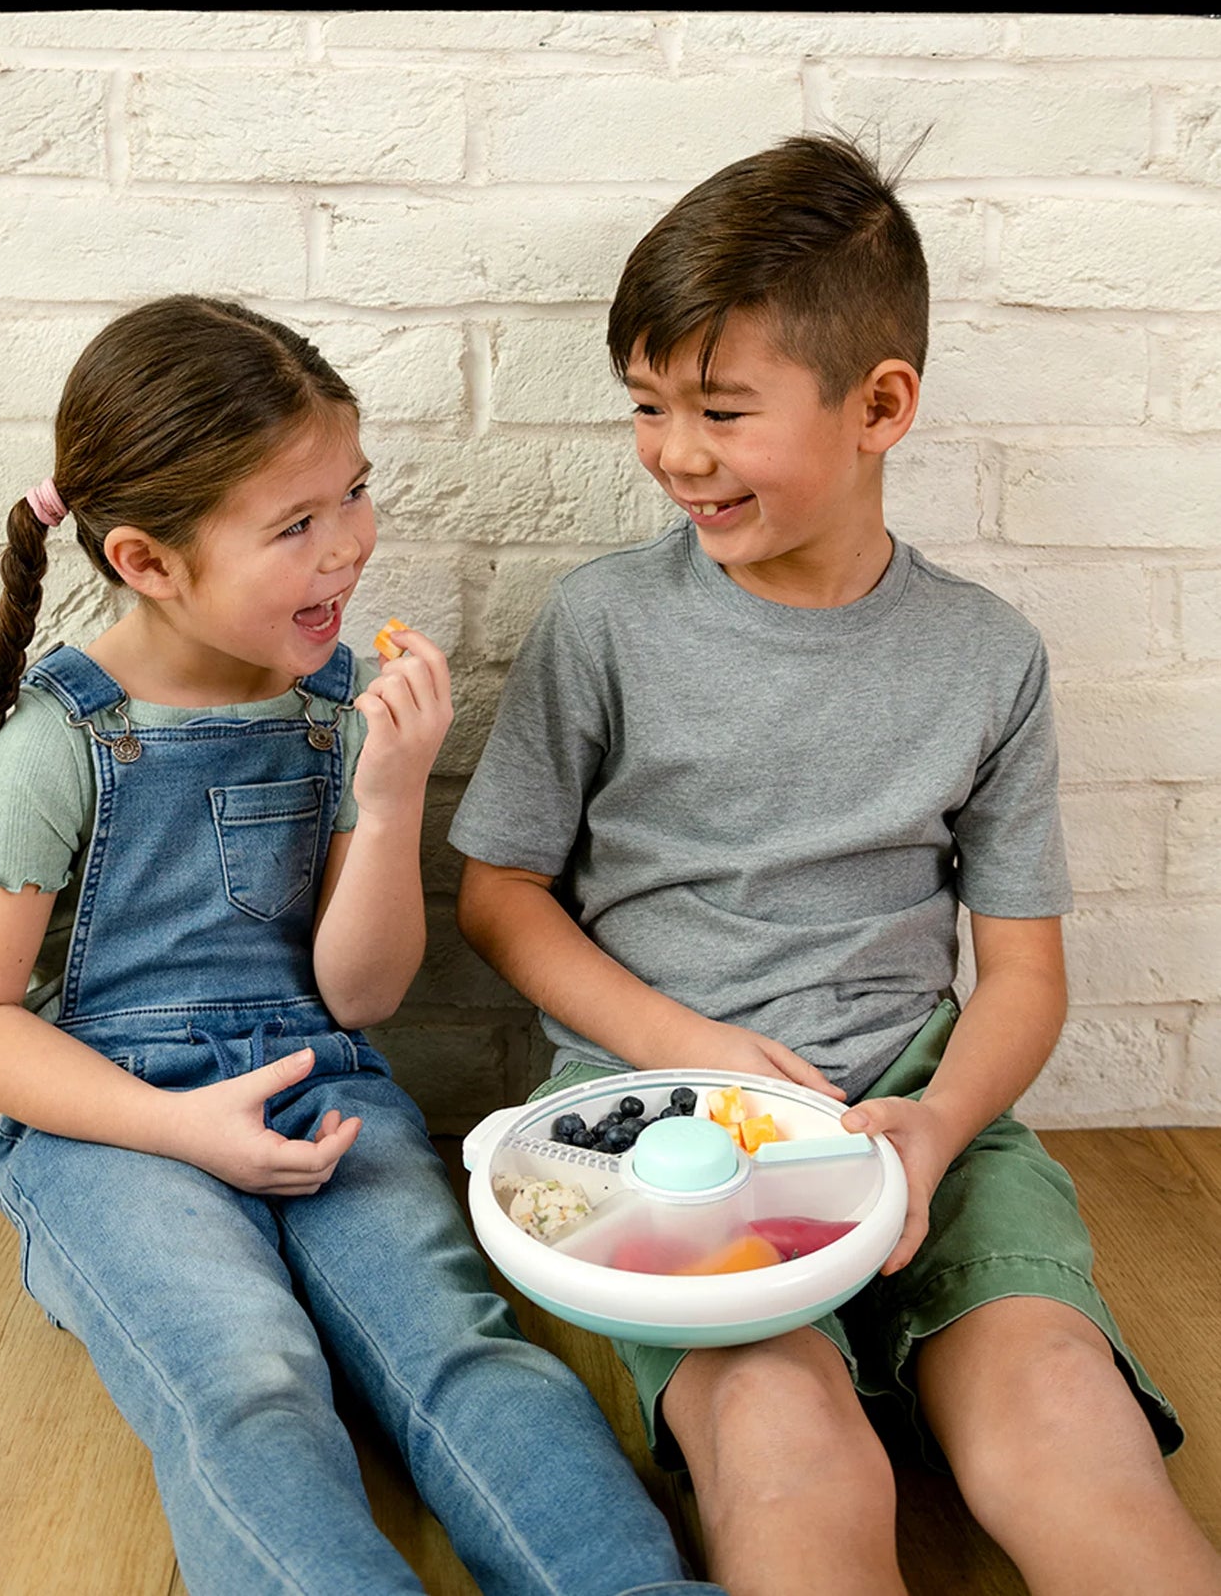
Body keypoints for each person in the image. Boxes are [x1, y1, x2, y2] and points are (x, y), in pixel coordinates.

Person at [450, 139, 1221, 1596]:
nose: (677, 453)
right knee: (788, 1444)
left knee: (1063, 1420)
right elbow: (499, 893)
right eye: (648, 408)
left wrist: (934, 1123)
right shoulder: (604, 623)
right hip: (651, 1116)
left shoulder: (985, 656)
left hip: (918, 1104)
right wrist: (685, 1048)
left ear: (880, 407)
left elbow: (1023, 970)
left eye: (722, 411)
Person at [0, 295, 720, 1596]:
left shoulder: (335, 713)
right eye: (294, 525)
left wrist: (394, 791)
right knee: (246, 1378)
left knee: (463, 1358)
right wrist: (178, 1129)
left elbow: (359, 992)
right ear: (148, 561)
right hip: (111, 1121)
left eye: (351, 494)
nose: (346, 546)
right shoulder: (60, 742)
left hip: (319, 1084)